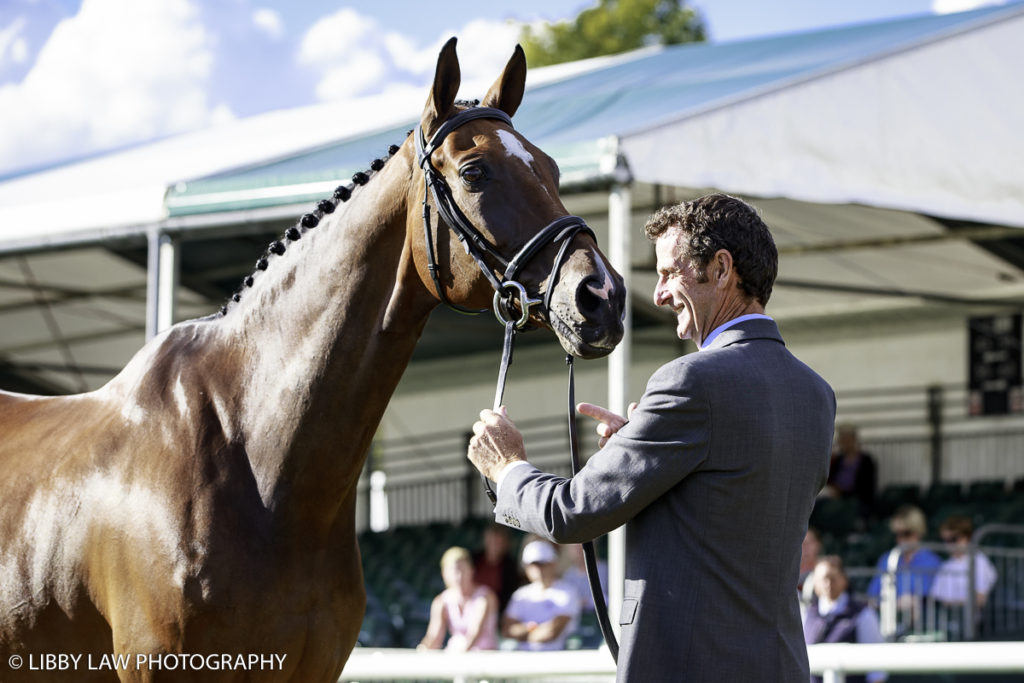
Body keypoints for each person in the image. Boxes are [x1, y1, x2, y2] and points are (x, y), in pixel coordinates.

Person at [467, 194, 836, 682]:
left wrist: (507, 466)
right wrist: (642, 450)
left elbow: (572, 513)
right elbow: (728, 504)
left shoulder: (691, 381)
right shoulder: (815, 393)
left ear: (722, 268)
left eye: (668, 273)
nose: (659, 294)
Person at [804, 556, 888, 683]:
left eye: (832, 578)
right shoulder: (806, 615)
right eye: (822, 579)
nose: (828, 584)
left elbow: (877, 669)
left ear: (844, 579)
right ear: (815, 584)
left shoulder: (863, 614)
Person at [501, 539, 581, 650]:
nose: (538, 569)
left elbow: (552, 632)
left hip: (559, 659)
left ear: (553, 564)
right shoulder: (520, 595)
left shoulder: (568, 592)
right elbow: (508, 629)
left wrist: (525, 631)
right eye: (533, 564)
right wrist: (533, 629)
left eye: (542, 563)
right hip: (524, 660)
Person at [418, 546, 499, 652]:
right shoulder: (441, 601)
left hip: (484, 657)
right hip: (455, 655)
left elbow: (475, 632)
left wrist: (460, 657)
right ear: (444, 574)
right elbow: (434, 636)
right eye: (454, 571)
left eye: (463, 569)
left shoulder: (485, 597)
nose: (459, 576)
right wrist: (423, 650)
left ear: (471, 570)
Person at [930, 515, 998, 625]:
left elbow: (980, 600)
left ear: (968, 537)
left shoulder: (979, 562)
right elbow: (937, 599)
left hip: (973, 627)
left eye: (953, 539)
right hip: (947, 623)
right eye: (945, 540)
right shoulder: (946, 566)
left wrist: (953, 604)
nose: (949, 544)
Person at [824, 423, 878, 519]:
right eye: (841, 440)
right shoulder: (838, 459)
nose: (843, 443)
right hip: (835, 498)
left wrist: (843, 492)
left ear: (854, 440)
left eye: (846, 439)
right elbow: (828, 480)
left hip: (855, 501)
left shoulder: (866, 460)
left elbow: (867, 488)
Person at [471, 523, 522, 615]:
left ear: (506, 544)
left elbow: (509, 599)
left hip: (497, 613)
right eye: (491, 540)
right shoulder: (473, 560)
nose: (494, 545)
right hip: (471, 608)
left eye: (498, 542)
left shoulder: (511, 567)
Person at [561, 543, 609, 613]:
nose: (578, 552)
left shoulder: (606, 570)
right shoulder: (568, 575)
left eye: (580, 548)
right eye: (574, 548)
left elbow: (614, 597)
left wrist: (587, 602)